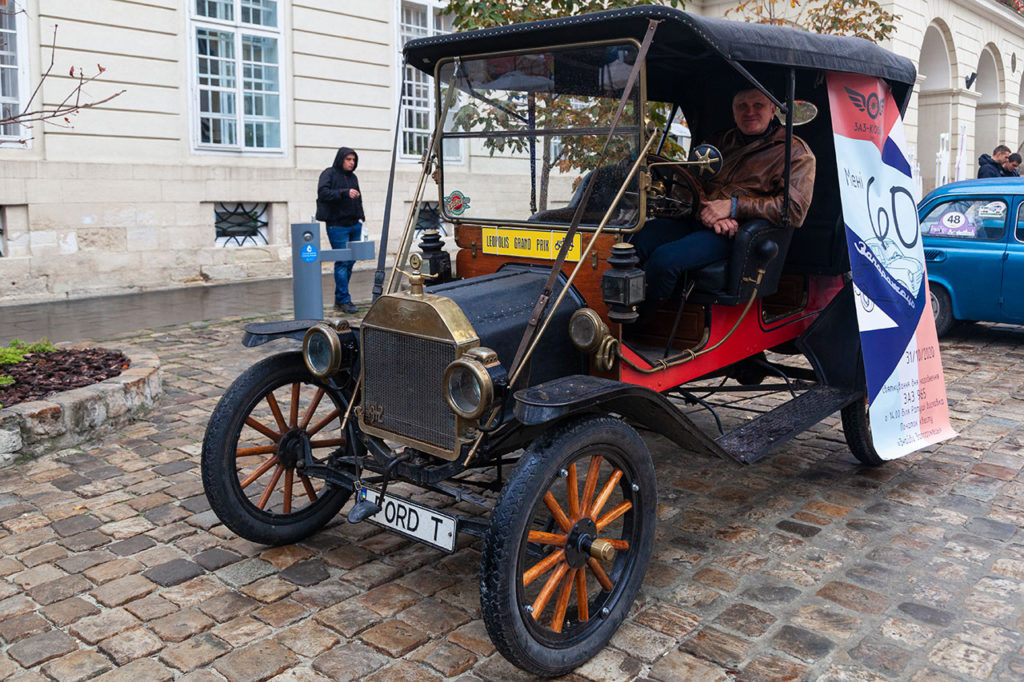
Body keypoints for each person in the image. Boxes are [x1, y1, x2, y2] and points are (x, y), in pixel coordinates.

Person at [631, 88, 816, 315]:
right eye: (742, 106)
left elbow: (794, 210)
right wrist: (709, 212)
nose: (749, 112)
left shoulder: (795, 152)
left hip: (737, 235)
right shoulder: (718, 141)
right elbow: (687, 182)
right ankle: (607, 312)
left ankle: (636, 324)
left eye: (758, 105)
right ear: (733, 111)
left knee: (664, 260)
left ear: (772, 110)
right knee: (634, 241)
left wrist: (734, 207)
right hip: (700, 220)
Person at [316, 146, 365, 314]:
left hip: (354, 224)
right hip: (337, 226)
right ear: (341, 159)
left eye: (354, 160)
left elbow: (359, 198)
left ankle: (340, 298)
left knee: (351, 261)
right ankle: (344, 300)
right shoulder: (328, 174)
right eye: (348, 159)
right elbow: (323, 193)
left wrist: (361, 218)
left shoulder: (353, 177)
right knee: (342, 262)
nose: (351, 163)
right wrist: (344, 192)